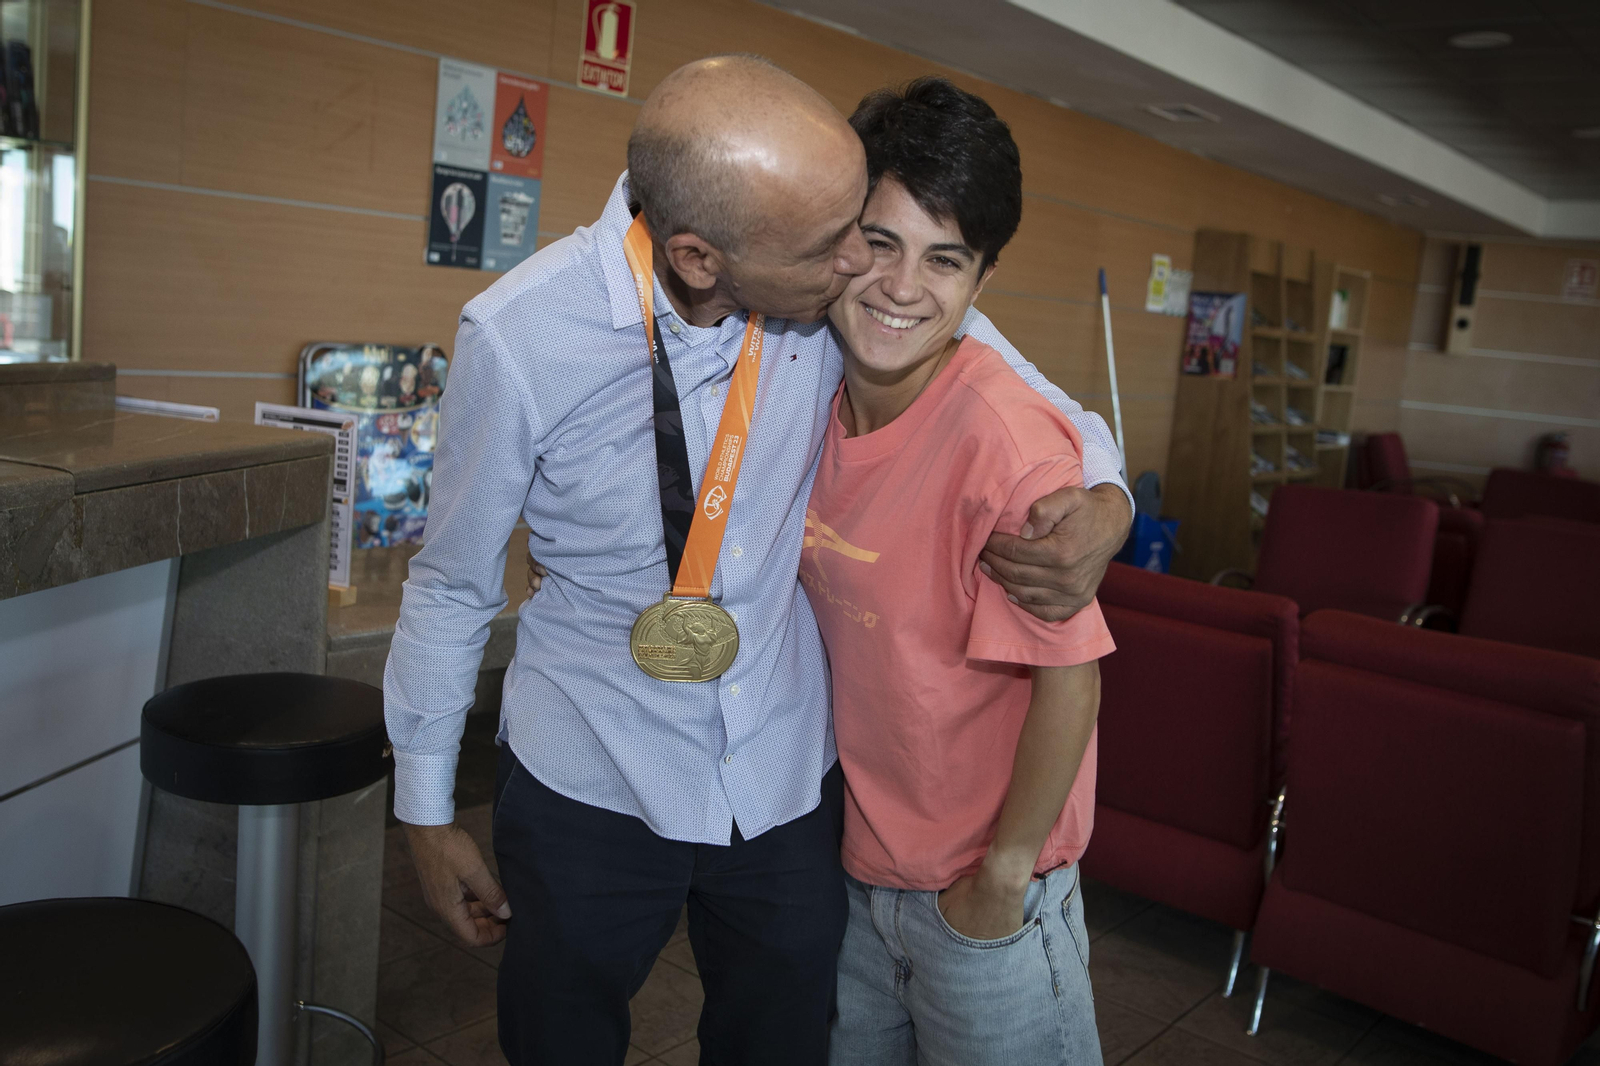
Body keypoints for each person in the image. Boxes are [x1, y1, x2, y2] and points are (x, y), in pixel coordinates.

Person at [385, 55, 1132, 1066]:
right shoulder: (523, 338)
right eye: (845, 244)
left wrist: (1108, 495)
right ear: (702, 259)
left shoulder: (837, 299)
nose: (866, 272)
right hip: (593, 773)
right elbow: (451, 582)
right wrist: (426, 815)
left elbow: (1026, 384)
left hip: (782, 784)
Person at [803, 77, 1109, 1065]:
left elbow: (1071, 674)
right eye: (880, 243)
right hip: (860, 883)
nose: (899, 287)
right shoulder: (809, 387)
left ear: (979, 281)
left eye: (945, 259)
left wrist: (999, 879)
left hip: (983, 909)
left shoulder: (1005, 446)